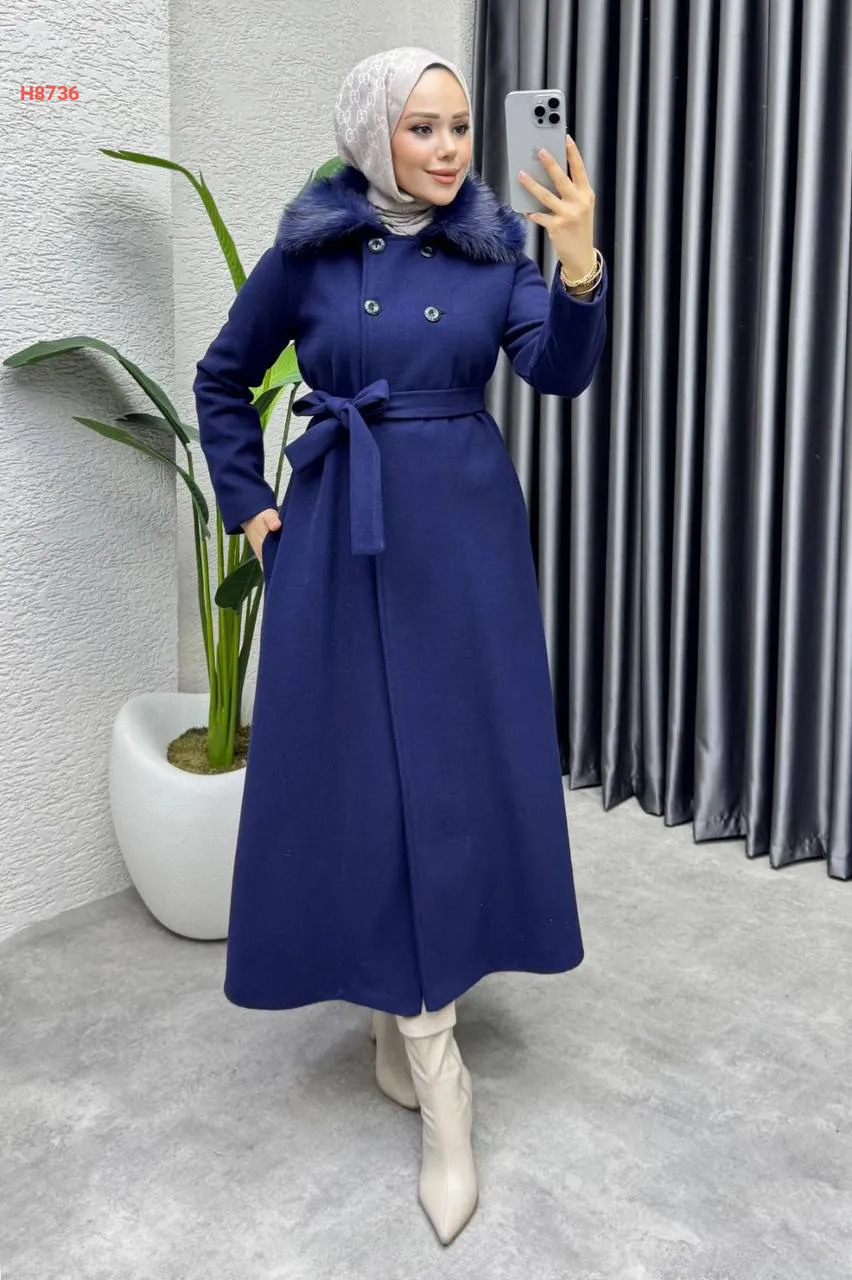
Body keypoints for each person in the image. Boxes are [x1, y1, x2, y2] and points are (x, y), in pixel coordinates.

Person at [193, 45, 608, 1247]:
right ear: (374, 131)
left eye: (460, 126)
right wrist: (252, 507)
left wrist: (578, 261)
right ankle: (425, 1050)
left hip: (462, 548)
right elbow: (224, 379)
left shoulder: (496, 248)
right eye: (422, 127)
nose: (447, 148)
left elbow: (558, 370)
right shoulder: (309, 249)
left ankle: (427, 1057)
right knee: (362, 785)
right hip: (338, 535)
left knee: (448, 779)